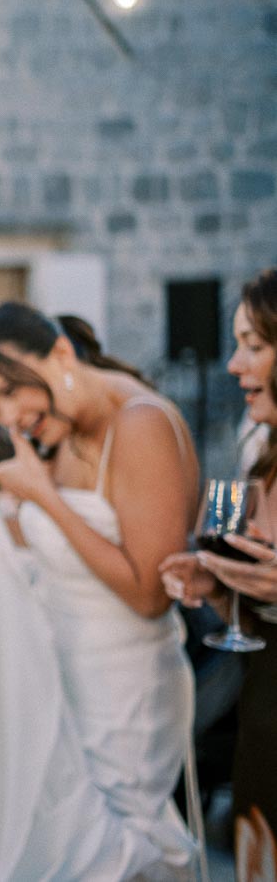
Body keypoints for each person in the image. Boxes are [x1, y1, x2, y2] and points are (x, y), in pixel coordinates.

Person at [0, 301, 199, 879]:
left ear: (60, 354)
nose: (10, 417)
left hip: (128, 683)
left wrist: (43, 496)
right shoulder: (61, 430)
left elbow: (150, 594)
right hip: (67, 674)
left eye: (12, 392)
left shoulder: (141, 424)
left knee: (121, 847)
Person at [161, 267, 277, 881]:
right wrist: (219, 587)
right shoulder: (257, 447)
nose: (234, 365)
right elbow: (255, 594)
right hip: (263, 707)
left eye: (255, 346)